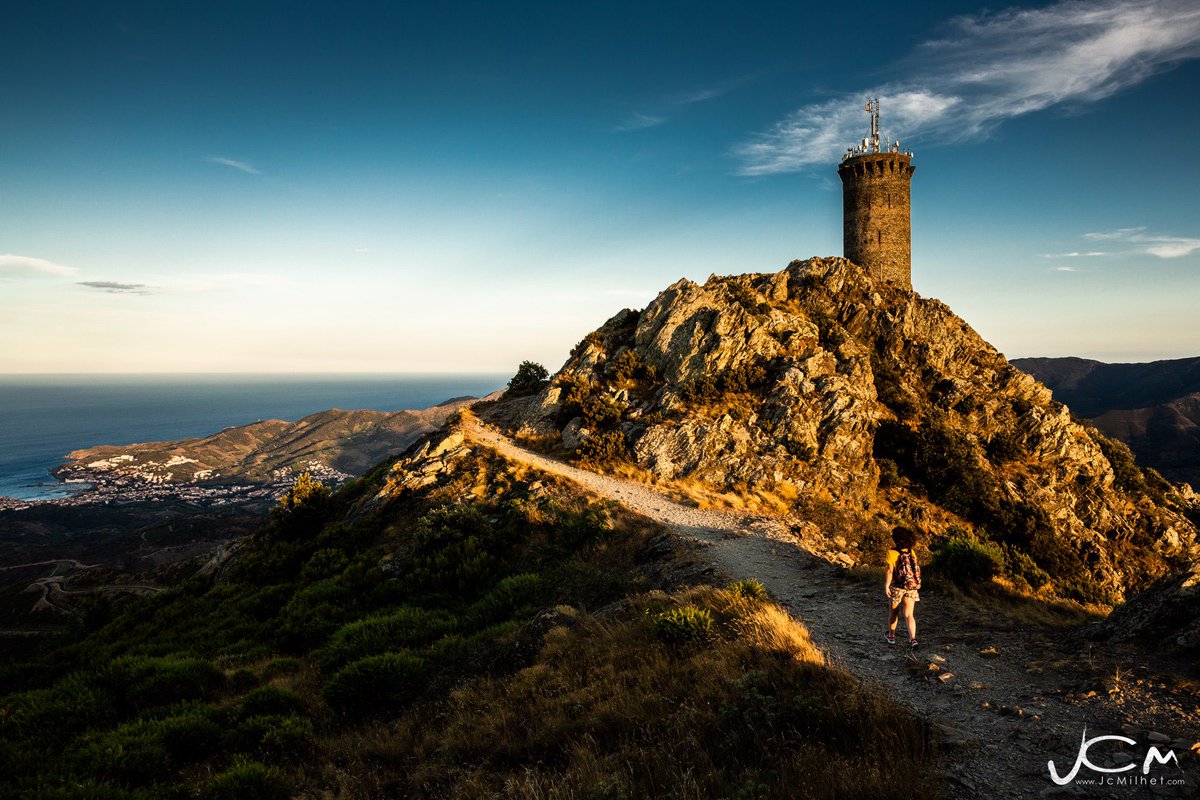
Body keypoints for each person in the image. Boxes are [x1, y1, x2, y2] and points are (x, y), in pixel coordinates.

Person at [884, 525, 922, 650]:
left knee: (894, 612)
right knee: (909, 615)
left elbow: (890, 571)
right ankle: (912, 639)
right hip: (911, 587)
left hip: (897, 587)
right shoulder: (912, 551)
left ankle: (891, 636)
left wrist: (886, 585)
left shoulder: (892, 552)